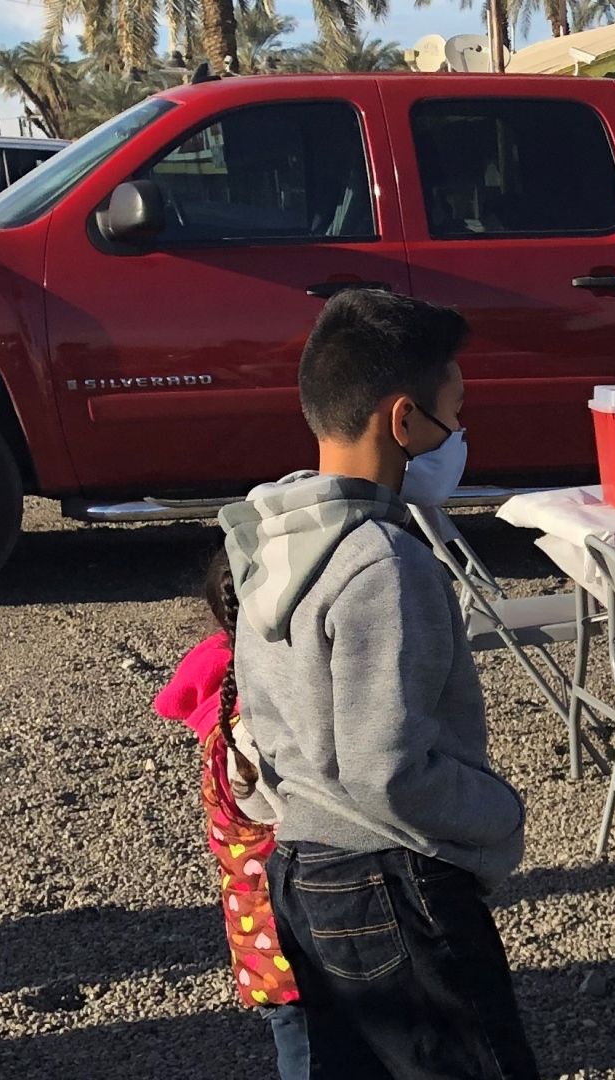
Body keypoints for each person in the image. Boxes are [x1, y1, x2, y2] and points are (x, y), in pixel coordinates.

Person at [219, 289, 536, 1079]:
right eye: (453, 415)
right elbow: (385, 765)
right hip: (393, 877)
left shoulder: (271, 536)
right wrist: (499, 816)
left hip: (299, 868)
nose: (459, 435)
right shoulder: (384, 563)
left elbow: (255, 728)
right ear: (404, 422)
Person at [152, 552, 309, 1079]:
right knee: (312, 1049)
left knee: (300, 1039)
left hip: (259, 936)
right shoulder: (254, 736)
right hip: (299, 934)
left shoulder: (223, 722)